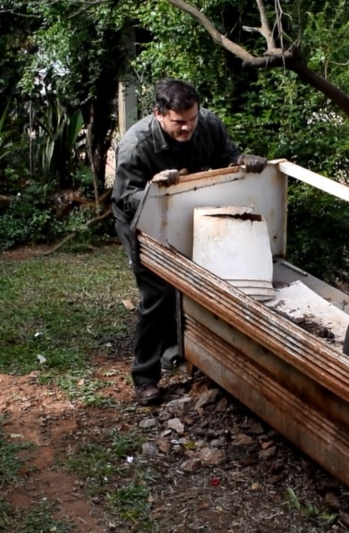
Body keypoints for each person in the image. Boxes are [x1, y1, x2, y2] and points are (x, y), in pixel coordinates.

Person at [113, 79, 267, 406]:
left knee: (204, 282)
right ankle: (145, 377)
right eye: (178, 122)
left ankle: (187, 355)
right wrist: (154, 189)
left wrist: (242, 160)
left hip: (187, 213)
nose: (187, 127)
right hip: (141, 220)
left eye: (192, 119)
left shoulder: (208, 123)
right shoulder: (135, 145)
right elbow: (124, 197)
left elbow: (228, 155)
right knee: (159, 294)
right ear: (158, 114)